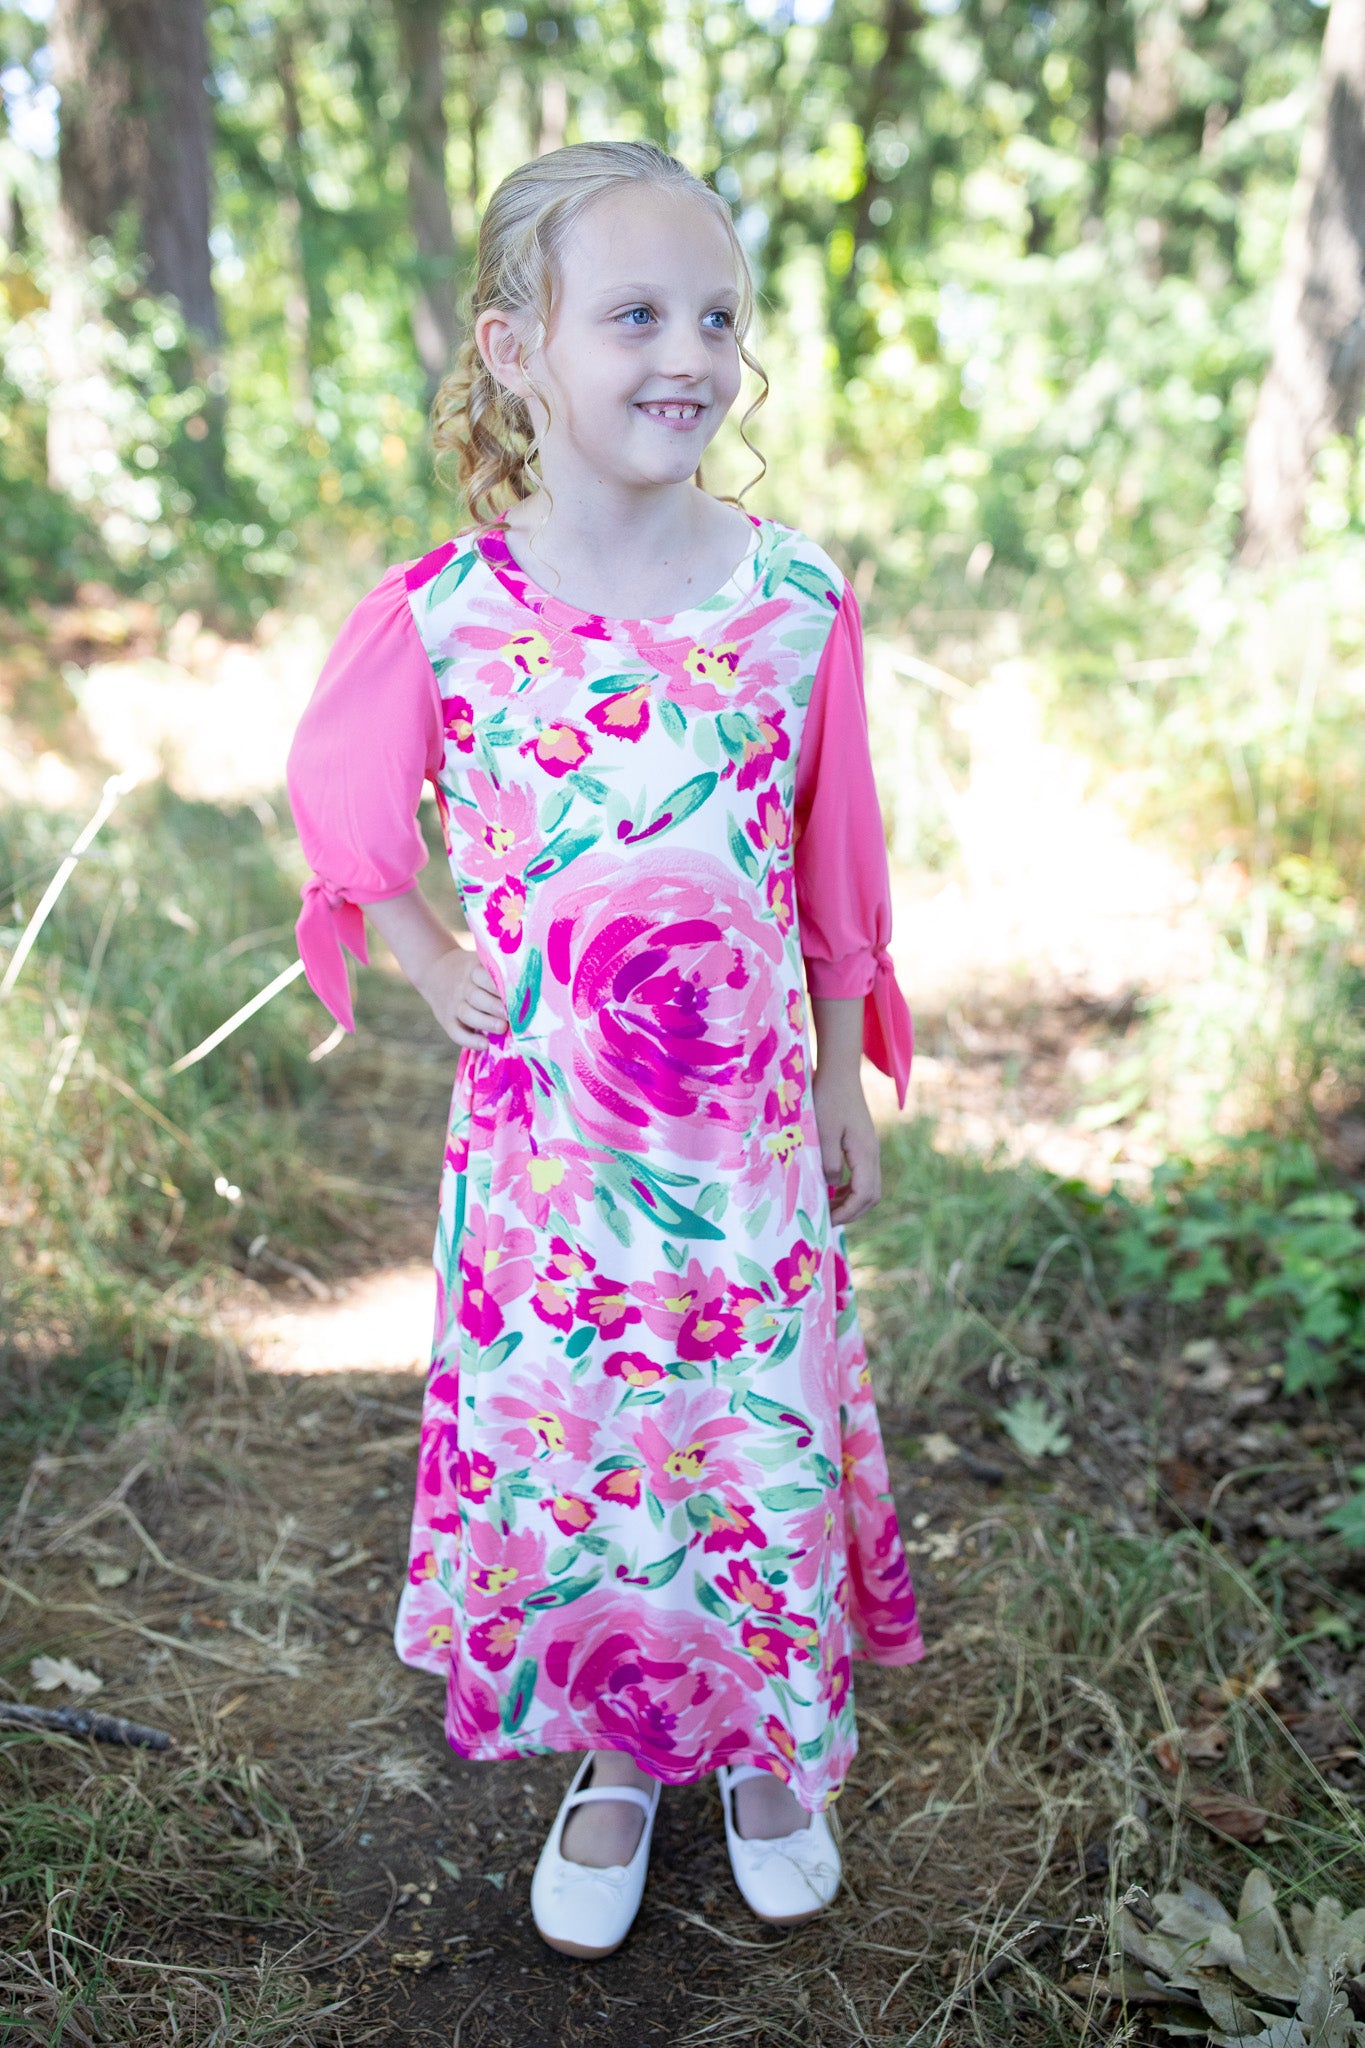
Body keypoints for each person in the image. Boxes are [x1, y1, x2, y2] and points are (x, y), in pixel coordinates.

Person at [286, 138, 923, 1962]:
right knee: (591, 1442)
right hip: (549, 1158)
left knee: (742, 1429)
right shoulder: (451, 611)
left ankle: (764, 1746)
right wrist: (421, 950)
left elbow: (830, 854)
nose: (688, 354)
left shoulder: (790, 599)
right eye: (634, 314)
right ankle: (622, 1749)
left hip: (739, 1140)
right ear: (516, 350)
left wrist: (832, 1068)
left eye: (717, 316)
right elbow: (340, 803)